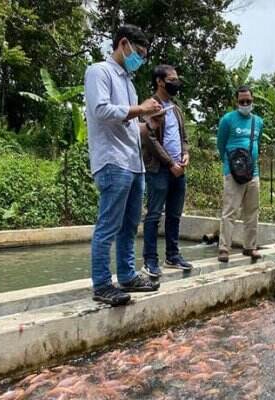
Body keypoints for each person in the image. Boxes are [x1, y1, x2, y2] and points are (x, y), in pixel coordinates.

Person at [85, 24, 162, 306]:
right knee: (108, 224)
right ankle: (102, 284)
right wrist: (140, 109)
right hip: (112, 161)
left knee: (129, 225)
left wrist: (147, 123)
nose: (139, 59)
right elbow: (101, 111)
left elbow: (127, 124)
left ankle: (128, 276)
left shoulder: (127, 82)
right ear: (124, 43)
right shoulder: (99, 72)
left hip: (133, 162)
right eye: (138, 53)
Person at [141, 65, 192, 277]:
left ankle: (172, 255)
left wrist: (186, 154)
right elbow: (148, 138)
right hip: (158, 169)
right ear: (160, 81)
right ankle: (150, 260)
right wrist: (170, 163)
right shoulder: (149, 106)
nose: (176, 82)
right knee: (153, 215)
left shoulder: (176, 108)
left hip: (179, 169)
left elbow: (183, 137)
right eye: (172, 79)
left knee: (174, 214)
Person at [216, 86, 264, 263]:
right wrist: (229, 166)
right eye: (242, 101)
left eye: (248, 101)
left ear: (253, 101)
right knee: (230, 211)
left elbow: (257, 142)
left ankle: (250, 247)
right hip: (233, 173)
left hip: (253, 173)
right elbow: (221, 145)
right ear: (236, 102)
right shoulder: (227, 120)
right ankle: (224, 248)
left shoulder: (258, 122)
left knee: (252, 211)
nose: (245, 104)